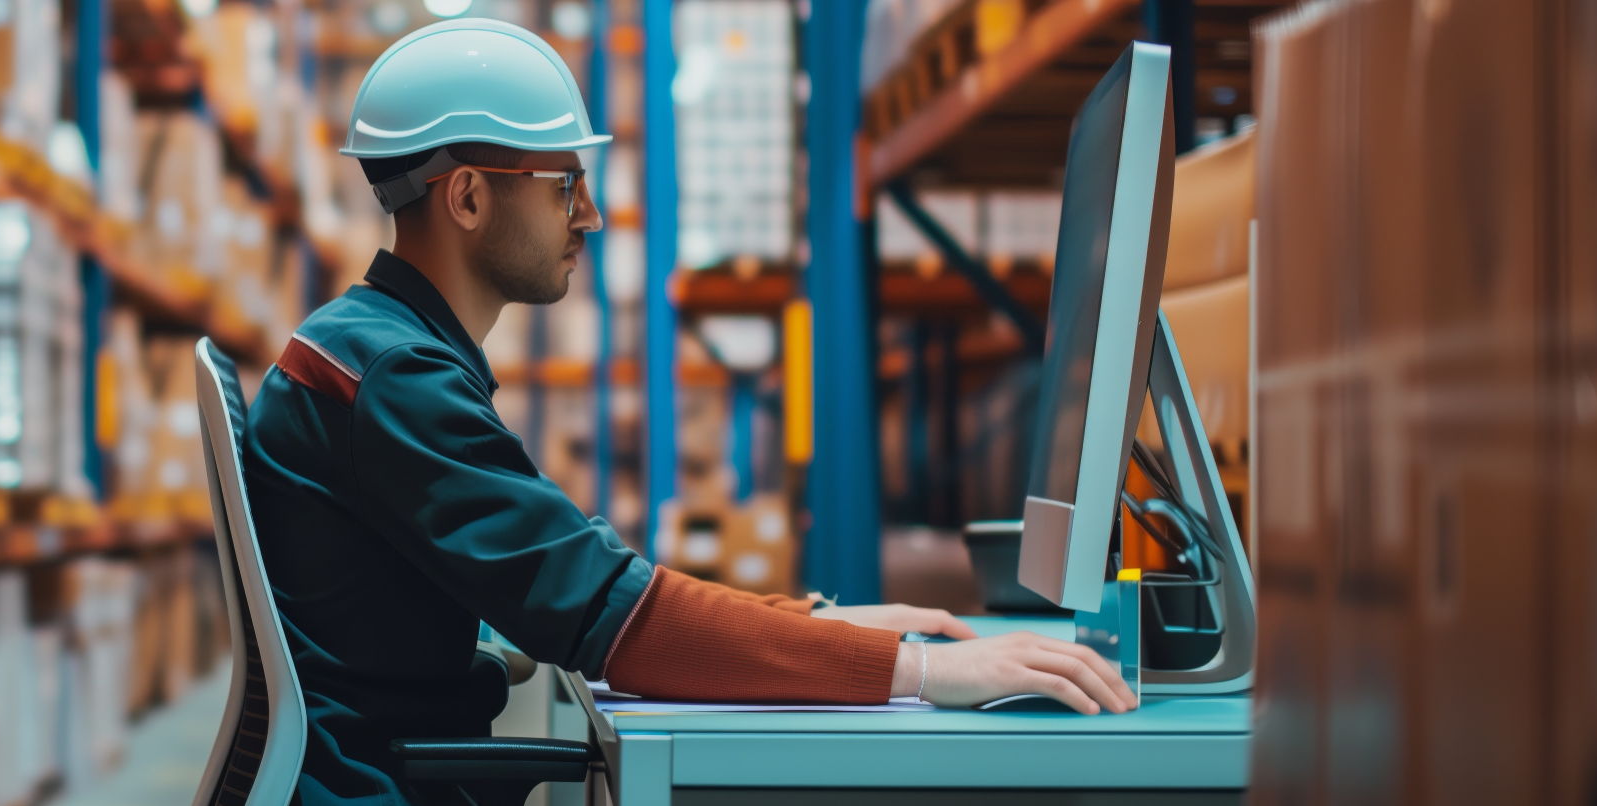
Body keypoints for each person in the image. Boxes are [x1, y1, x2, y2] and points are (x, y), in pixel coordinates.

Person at [241, 18, 1137, 805]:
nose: (590, 215)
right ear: (467, 196)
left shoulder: (376, 352)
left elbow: (592, 584)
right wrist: (926, 669)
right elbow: (608, 616)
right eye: (563, 185)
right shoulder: (391, 376)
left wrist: (806, 626)